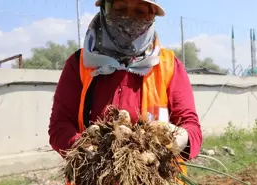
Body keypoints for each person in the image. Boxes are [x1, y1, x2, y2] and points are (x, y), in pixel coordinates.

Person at [48, 0, 202, 184]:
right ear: (104, 9)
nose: (128, 19)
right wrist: (84, 148)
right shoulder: (78, 64)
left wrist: (179, 139)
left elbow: (192, 127)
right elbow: (59, 125)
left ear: (152, 17)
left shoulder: (169, 65)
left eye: (140, 11)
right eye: (120, 9)